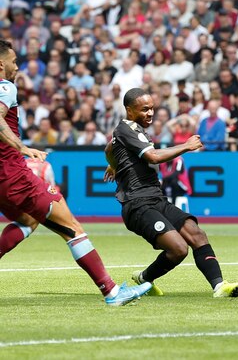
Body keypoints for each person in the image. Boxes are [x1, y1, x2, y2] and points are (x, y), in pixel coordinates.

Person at [0, 40, 152, 305]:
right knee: (73, 228)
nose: (17, 67)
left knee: (27, 221)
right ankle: (112, 292)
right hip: (14, 175)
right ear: (1, 64)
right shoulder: (6, 87)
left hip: (2, 180)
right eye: (14, 61)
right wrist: (22, 146)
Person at [104, 88, 238, 298]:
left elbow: (109, 148)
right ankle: (144, 279)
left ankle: (219, 286)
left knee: (196, 233)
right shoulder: (126, 129)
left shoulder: (135, 130)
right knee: (179, 249)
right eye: (144, 109)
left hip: (156, 199)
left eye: (152, 108)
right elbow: (152, 156)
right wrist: (186, 146)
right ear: (129, 111)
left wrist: (113, 164)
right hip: (137, 204)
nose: (150, 113)